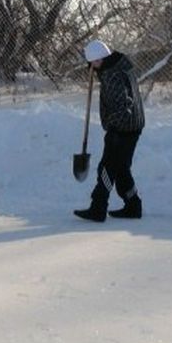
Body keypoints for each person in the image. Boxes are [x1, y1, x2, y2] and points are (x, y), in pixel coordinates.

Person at [74, 39, 145, 222]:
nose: (92, 68)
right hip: (133, 126)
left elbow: (122, 104)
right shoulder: (121, 66)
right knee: (121, 168)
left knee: (106, 168)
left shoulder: (112, 76)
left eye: (92, 64)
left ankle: (98, 208)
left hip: (122, 129)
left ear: (98, 60)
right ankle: (133, 205)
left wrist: (113, 126)